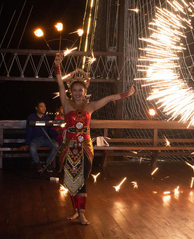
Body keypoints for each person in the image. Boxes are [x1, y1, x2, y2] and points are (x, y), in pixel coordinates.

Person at [53, 53, 134, 225]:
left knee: (81, 178)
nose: (77, 93)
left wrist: (126, 94)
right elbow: (60, 84)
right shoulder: (66, 105)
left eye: (80, 90)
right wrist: (57, 66)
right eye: (74, 90)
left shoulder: (90, 106)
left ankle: (82, 213)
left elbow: (108, 99)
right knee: (70, 179)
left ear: (84, 91)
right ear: (71, 92)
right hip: (70, 147)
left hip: (85, 148)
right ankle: (75, 211)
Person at [21, 101, 59, 173]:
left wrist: (58, 137)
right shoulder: (31, 117)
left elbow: (51, 130)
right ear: (36, 108)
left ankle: (48, 163)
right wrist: (27, 143)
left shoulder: (47, 118)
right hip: (36, 139)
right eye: (41, 106)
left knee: (56, 145)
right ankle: (37, 163)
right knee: (32, 148)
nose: (44, 108)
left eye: (44, 106)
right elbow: (29, 131)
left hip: (46, 138)